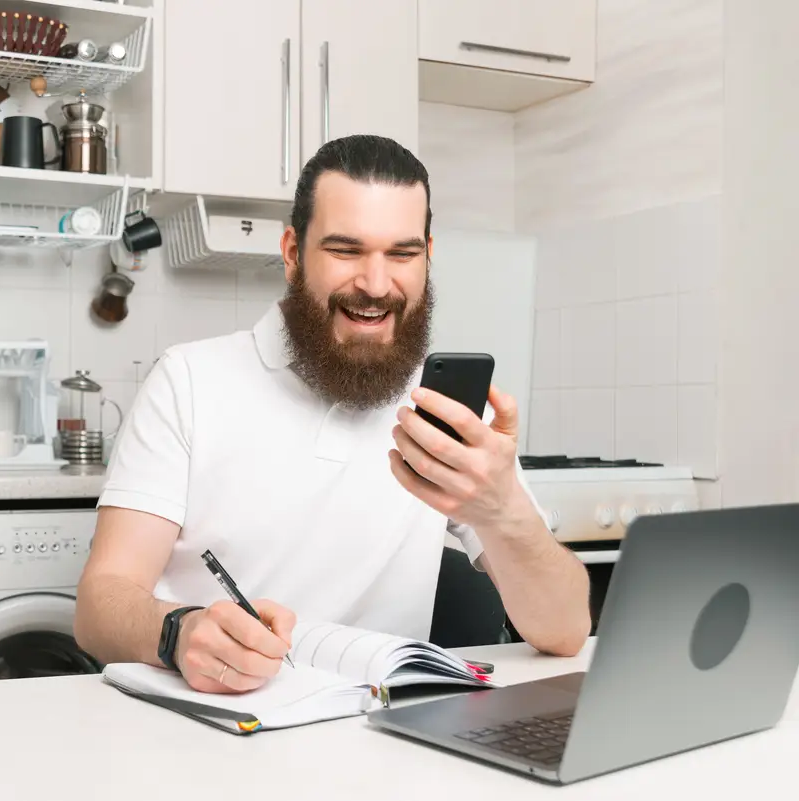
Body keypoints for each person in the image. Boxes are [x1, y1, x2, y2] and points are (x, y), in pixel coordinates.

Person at [73, 134, 591, 695]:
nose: (375, 284)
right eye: (346, 250)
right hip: (216, 724)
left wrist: (503, 510)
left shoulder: (445, 411)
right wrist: (177, 632)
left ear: (427, 256)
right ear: (294, 254)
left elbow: (565, 632)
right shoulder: (189, 380)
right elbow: (100, 607)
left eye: (402, 254)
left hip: (387, 728)